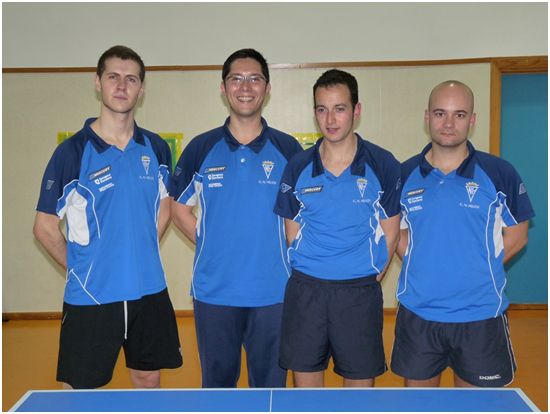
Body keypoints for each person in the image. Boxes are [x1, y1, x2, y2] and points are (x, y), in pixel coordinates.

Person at [33, 45, 183, 389]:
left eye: (131, 79)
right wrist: (81, 267)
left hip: (149, 291)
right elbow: (44, 227)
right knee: (82, 390)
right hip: (93, 295)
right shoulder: (72, 152)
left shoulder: (157, 148)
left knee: (148, 377)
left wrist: (142, 247)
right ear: (97, 83)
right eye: (113, 76)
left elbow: (165, 204)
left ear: (141, 89)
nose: (121, 85)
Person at [170, 48, 303, 388]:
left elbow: (304, 215)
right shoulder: (201, 148)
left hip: (273, 294)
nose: (246, 86)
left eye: (255, 78)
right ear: (223, 87)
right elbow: (177, 206)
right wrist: (210, 240)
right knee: (217, 391)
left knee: (270, 391)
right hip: (214, 294)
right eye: (236, 79)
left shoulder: (289, 150)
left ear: (268, 88)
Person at [391, 80, 535, 388]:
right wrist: (420, 261)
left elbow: (518, 235)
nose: (448, 123)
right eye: (440, 113)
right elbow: (396, 234)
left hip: (480, 316)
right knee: (420, 407)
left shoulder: (499, 173)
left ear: (472, 120)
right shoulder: (403, 175)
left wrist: (481, 267)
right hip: (419, 315)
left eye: (459, 115)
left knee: (475, 407)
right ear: (427, 117)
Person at [274, 69, 401, 387]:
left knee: (358, 396)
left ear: (356, 111)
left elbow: (390, 232)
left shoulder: (383, 164)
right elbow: (292, 232)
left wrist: (368, 278)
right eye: (321, 109)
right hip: (306, 293)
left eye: (339, 108)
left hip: (359, 293)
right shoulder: (298, 166)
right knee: (307, 396)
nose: (330, 119)